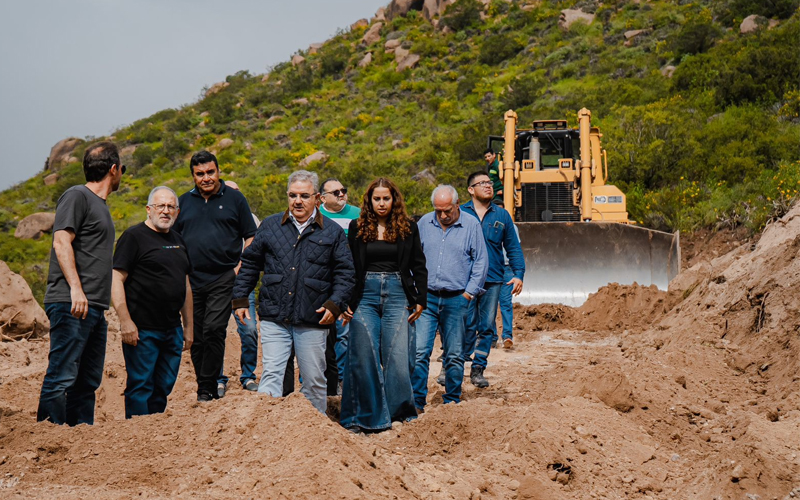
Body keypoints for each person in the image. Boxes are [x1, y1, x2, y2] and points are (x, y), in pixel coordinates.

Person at [232, 170, 355, 413]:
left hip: (313, 317)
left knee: (314, 380)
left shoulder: (332, 231)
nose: (297, 201)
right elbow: (251, 262)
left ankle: (314, 429)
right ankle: (267, 428)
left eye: (304, 196)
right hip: (274, 315)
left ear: (317, 198)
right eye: (293, 195)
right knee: (272, 375)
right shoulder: (270, 225)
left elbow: (345, 272)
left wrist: (335, 304)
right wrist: (241, 298)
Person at [37, 141, 125, 425]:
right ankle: (47, 438)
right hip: (71, 303)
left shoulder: (100, 205)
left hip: (94, 308)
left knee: (87, 381)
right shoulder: (77, 195)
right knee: (61, 376)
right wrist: (76, 289)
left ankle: (79, 438)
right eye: (121, 169)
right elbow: (61, 242)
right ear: (114, 169)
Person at [339, 178, 427, 432]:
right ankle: (362, 417)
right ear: (369, 201)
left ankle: (400, 413)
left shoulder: (408, 227)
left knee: (397, 357)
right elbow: (349, 266)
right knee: (363, 354)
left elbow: (419, 264)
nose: (381, 203)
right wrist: (346, 300)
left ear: (393, 200)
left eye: (386, 198)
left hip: (398, 293)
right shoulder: (357, 227)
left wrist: (420, 299)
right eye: (376, 199)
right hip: (364, 295)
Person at [174, 151, 257, 402]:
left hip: (224, 277)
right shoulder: (183, 202)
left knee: (214, 329)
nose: (206, 177)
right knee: (196, 336)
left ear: (218, 171)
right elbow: (174, 239)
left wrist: (239, 268)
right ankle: (205, 387)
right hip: (192, 281)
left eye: (210, 172)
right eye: (200, 174)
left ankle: (208, 386)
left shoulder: (235, 199)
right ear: (193, 176)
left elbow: (251, 236)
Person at [111, 187, 193, 418]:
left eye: (171, 207)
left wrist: (189, 326)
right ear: (149, 209)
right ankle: (137, 432)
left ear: (177, 212)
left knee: (164, 385)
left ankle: (153, 429)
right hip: (142, 330)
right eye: (160, 206)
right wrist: (125, 321)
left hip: (172, 329)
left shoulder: (178, 240)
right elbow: (116, 279)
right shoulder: (133, 237)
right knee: (141, 386)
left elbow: (185, 285)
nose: (165, 211)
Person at [411, 185, 487, 412]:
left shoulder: (471, 225)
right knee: (420, 351)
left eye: (447, 210)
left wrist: (468, 293)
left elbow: (480, 261)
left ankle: (452, 400)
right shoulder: (424, 223)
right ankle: (416, 401)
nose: (443, 215)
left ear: (457, 204)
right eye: (438, 211)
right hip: (427, 298)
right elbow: (414, 258)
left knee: (454, 353)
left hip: (456, 298)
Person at [460, 171, 524, 388]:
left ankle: (478, 369)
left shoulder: (502, 215)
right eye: (482, 183)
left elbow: (513, 247)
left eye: (489, 182)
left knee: (487, 327)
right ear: (471, 190)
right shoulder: (460, 213)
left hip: (493, 279)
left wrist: (518, 274)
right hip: (465, 280)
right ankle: (454, 366)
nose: (488, 185)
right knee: (463, 324)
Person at [215, 180, 261, 393]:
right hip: (216, 284)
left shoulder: (251, 218)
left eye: (236, 191)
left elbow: (255, 250)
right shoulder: (211, 215)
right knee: (216, 331)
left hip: (243, 284)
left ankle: (248, 375)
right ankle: (217, 378)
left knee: (249, 330)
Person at [318, 177, 360, 390]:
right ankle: (315, 378)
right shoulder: (315, 215)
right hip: (320, 281)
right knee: (317, 333)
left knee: (343, 334)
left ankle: (340, 379)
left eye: (343, 190)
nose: (342, 194)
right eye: (336, 192)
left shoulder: (358, 214)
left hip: (347, 281)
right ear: (322, 198)